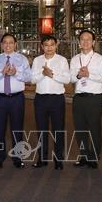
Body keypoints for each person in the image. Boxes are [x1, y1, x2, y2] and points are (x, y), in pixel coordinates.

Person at [0, 33, 31, 169]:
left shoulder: (22, 59)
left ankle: (18, 158)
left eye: (10, 42)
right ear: (1, 45)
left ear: (15, 44)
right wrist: (2, 73)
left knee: (17, 129)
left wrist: (15, 73)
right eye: (5, 42)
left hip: (17, 98)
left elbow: (28, 78)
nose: (8, 45)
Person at [31, 35, 70, 170]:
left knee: (58, 130)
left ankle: (58, 159)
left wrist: (52, 75)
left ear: (56, 45)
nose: (49, 47)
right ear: (42, 46)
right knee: (41, 130)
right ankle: (42, 158)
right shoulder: (37, 60)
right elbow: (32, 80)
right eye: (46, 45)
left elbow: (66, 79)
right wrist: (43, 73)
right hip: (40, 99)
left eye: (52, 44)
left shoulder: (62, 60)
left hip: (57, 99)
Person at [69, 30, 102, 169]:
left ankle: (94, 157)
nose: (85, 42)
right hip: (78, 98)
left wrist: (89, 74)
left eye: (88, 39)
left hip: (94, 98)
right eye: (82, 39)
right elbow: (71, 78)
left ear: (94, 42)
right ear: (79, 42)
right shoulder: (74, 59)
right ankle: (84, 155)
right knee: (80, 129)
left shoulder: (99, 58)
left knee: (95, 128)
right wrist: (79, 76)